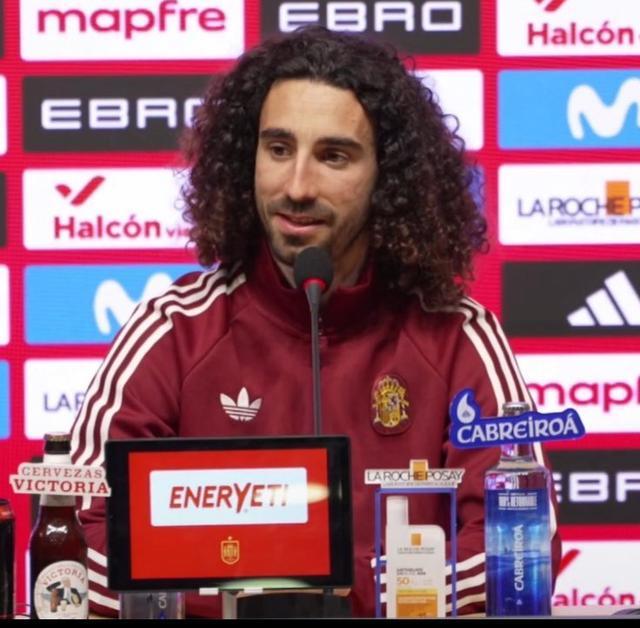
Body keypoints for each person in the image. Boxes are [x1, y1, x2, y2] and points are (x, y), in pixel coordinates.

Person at [70, 26, 562, 618]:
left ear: (388, 177)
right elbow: (78, 541)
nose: (297, 186)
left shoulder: (457, 336)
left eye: (333, 156)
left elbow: (521, 549)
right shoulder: (175, 330)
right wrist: (261, 601)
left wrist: (346, 598)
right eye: (278, 149)